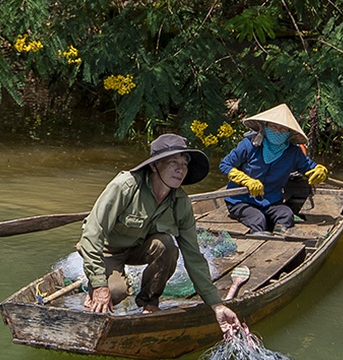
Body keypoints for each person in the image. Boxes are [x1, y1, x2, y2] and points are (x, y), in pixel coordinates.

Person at [79, 133, 246, 339]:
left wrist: (216, 305)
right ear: (154, 166)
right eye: (173, 162)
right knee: (115, 292)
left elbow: (193, 256)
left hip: (140, 248)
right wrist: (99, 285)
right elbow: (91, 234)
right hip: (109, 249)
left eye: (185, 163)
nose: (181, 169)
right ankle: (96, 286)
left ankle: (149, 302)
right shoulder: (125, 186)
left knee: (167, 244)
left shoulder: (180, 202)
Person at [219, 103, 328, 233]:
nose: (277, 131)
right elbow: (225, 164)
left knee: (286, 215)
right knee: (257, 219)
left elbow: (310, 167)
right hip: (241, 200)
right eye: (273, 126)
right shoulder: (249, 145)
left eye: (283, 129)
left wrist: (320, 171)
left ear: (289, 133)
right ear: (264, 127)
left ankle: (280, 237)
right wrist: (245, 180)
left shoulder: (293, 152)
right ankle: (258, 237)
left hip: (271, 201)